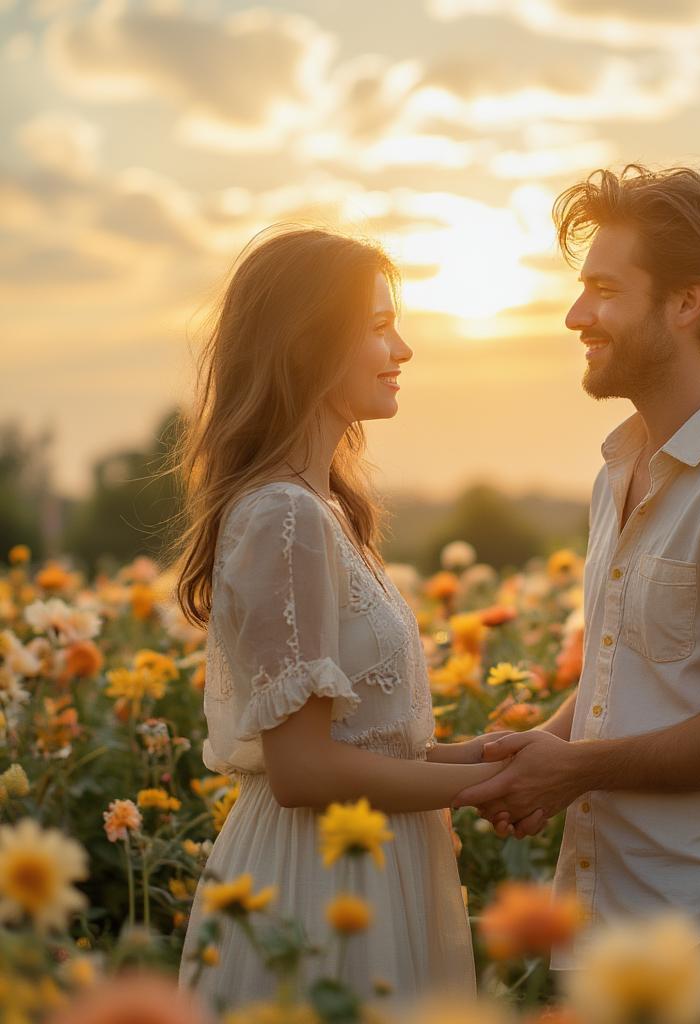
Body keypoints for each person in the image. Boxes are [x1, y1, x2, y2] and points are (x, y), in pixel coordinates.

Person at [453, 165, 700, 1023]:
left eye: (601, 289)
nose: (575, 315)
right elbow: (630, 680)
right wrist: (532, 751)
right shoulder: (621, 471)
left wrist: (573, 770)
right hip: (604, 937)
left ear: (686, 303)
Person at [171, 227, 510, 1008]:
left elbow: (365, 742)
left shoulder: (318, 510)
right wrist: (483, 786)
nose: (404, 348)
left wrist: (488, 754)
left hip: (371, 858)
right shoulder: (282, 516)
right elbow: (305, 771)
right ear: (305, 345)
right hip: (321, 875)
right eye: (379, 325)